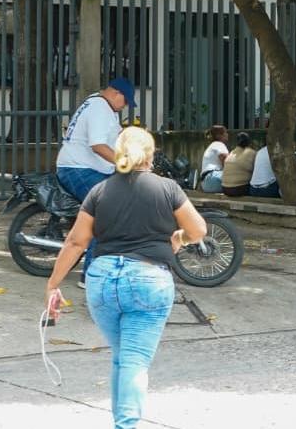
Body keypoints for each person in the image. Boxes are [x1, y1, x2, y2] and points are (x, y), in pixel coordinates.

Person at [43, 126, 207, 429]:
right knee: (133, 360)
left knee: (122, 357)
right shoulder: (168, 188)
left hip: (103, 280)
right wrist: (179, 238)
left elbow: (76, 242)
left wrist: (53, 283)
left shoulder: (99, 191)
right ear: (151, 155)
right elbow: (198, 231)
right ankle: (126, 425)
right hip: (148, 280)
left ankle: (122, 422)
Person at [57, 77, 137, 288]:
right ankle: (90, 276)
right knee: (104, 212)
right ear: (115, 93)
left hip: (89, 168)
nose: (126, 105)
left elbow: (118, 136)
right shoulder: (99, 108)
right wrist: (124, 163)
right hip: (79, 169)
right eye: (126, 100)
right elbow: (99, 146)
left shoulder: (102, 106)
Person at [221, 132, 256, 197]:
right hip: (238, 189)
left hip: (225, 188)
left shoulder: (231, 153)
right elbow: (255, 170)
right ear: (249, 142)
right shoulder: (251, 152)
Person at [199, 125, 230, 193]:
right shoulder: (219, 144)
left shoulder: (212, 146)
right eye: (225, 132)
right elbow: (228, 162)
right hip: (213, 179)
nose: (227, 134)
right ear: (218, 136)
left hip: (206, 184)